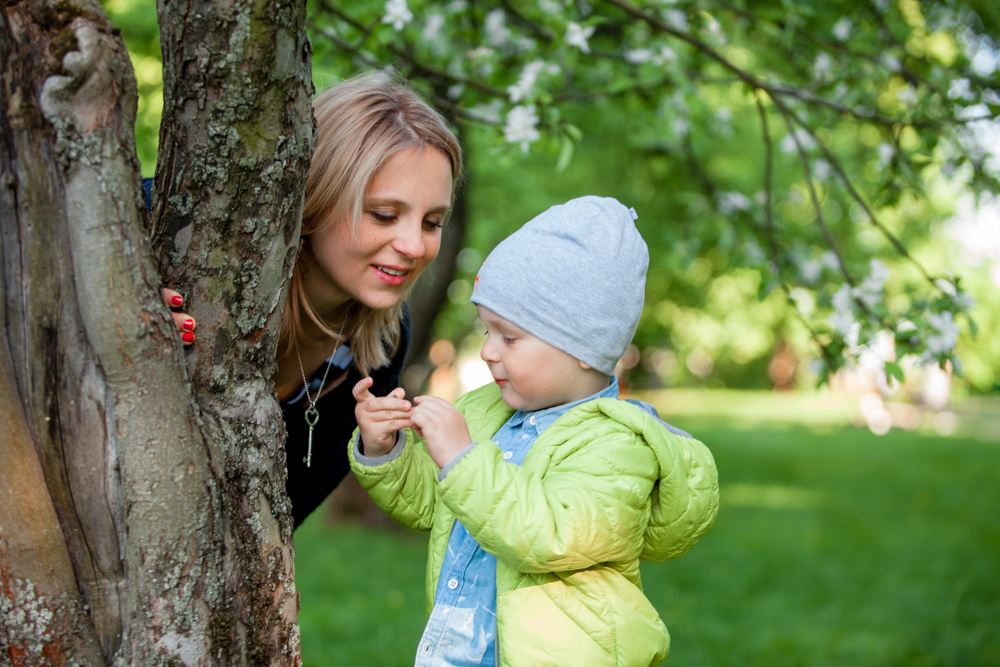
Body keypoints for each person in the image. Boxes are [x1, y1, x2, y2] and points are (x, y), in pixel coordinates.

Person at [351, 196, 719, 666]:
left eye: (509, 337)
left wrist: (463, 458)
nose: (487, 351)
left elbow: (548, 533)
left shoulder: (617, 447)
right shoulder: (488, 413)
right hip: (463, 649)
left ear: (584, 346)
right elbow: (437, 504)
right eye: (486, 332)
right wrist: (384, 449)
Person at [160, 69, 464, 527]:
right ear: (316, 195)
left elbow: (279, 517)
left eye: (431, 222)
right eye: (385, 215)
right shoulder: (172, 235)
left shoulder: (380, 345)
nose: (415, 247)